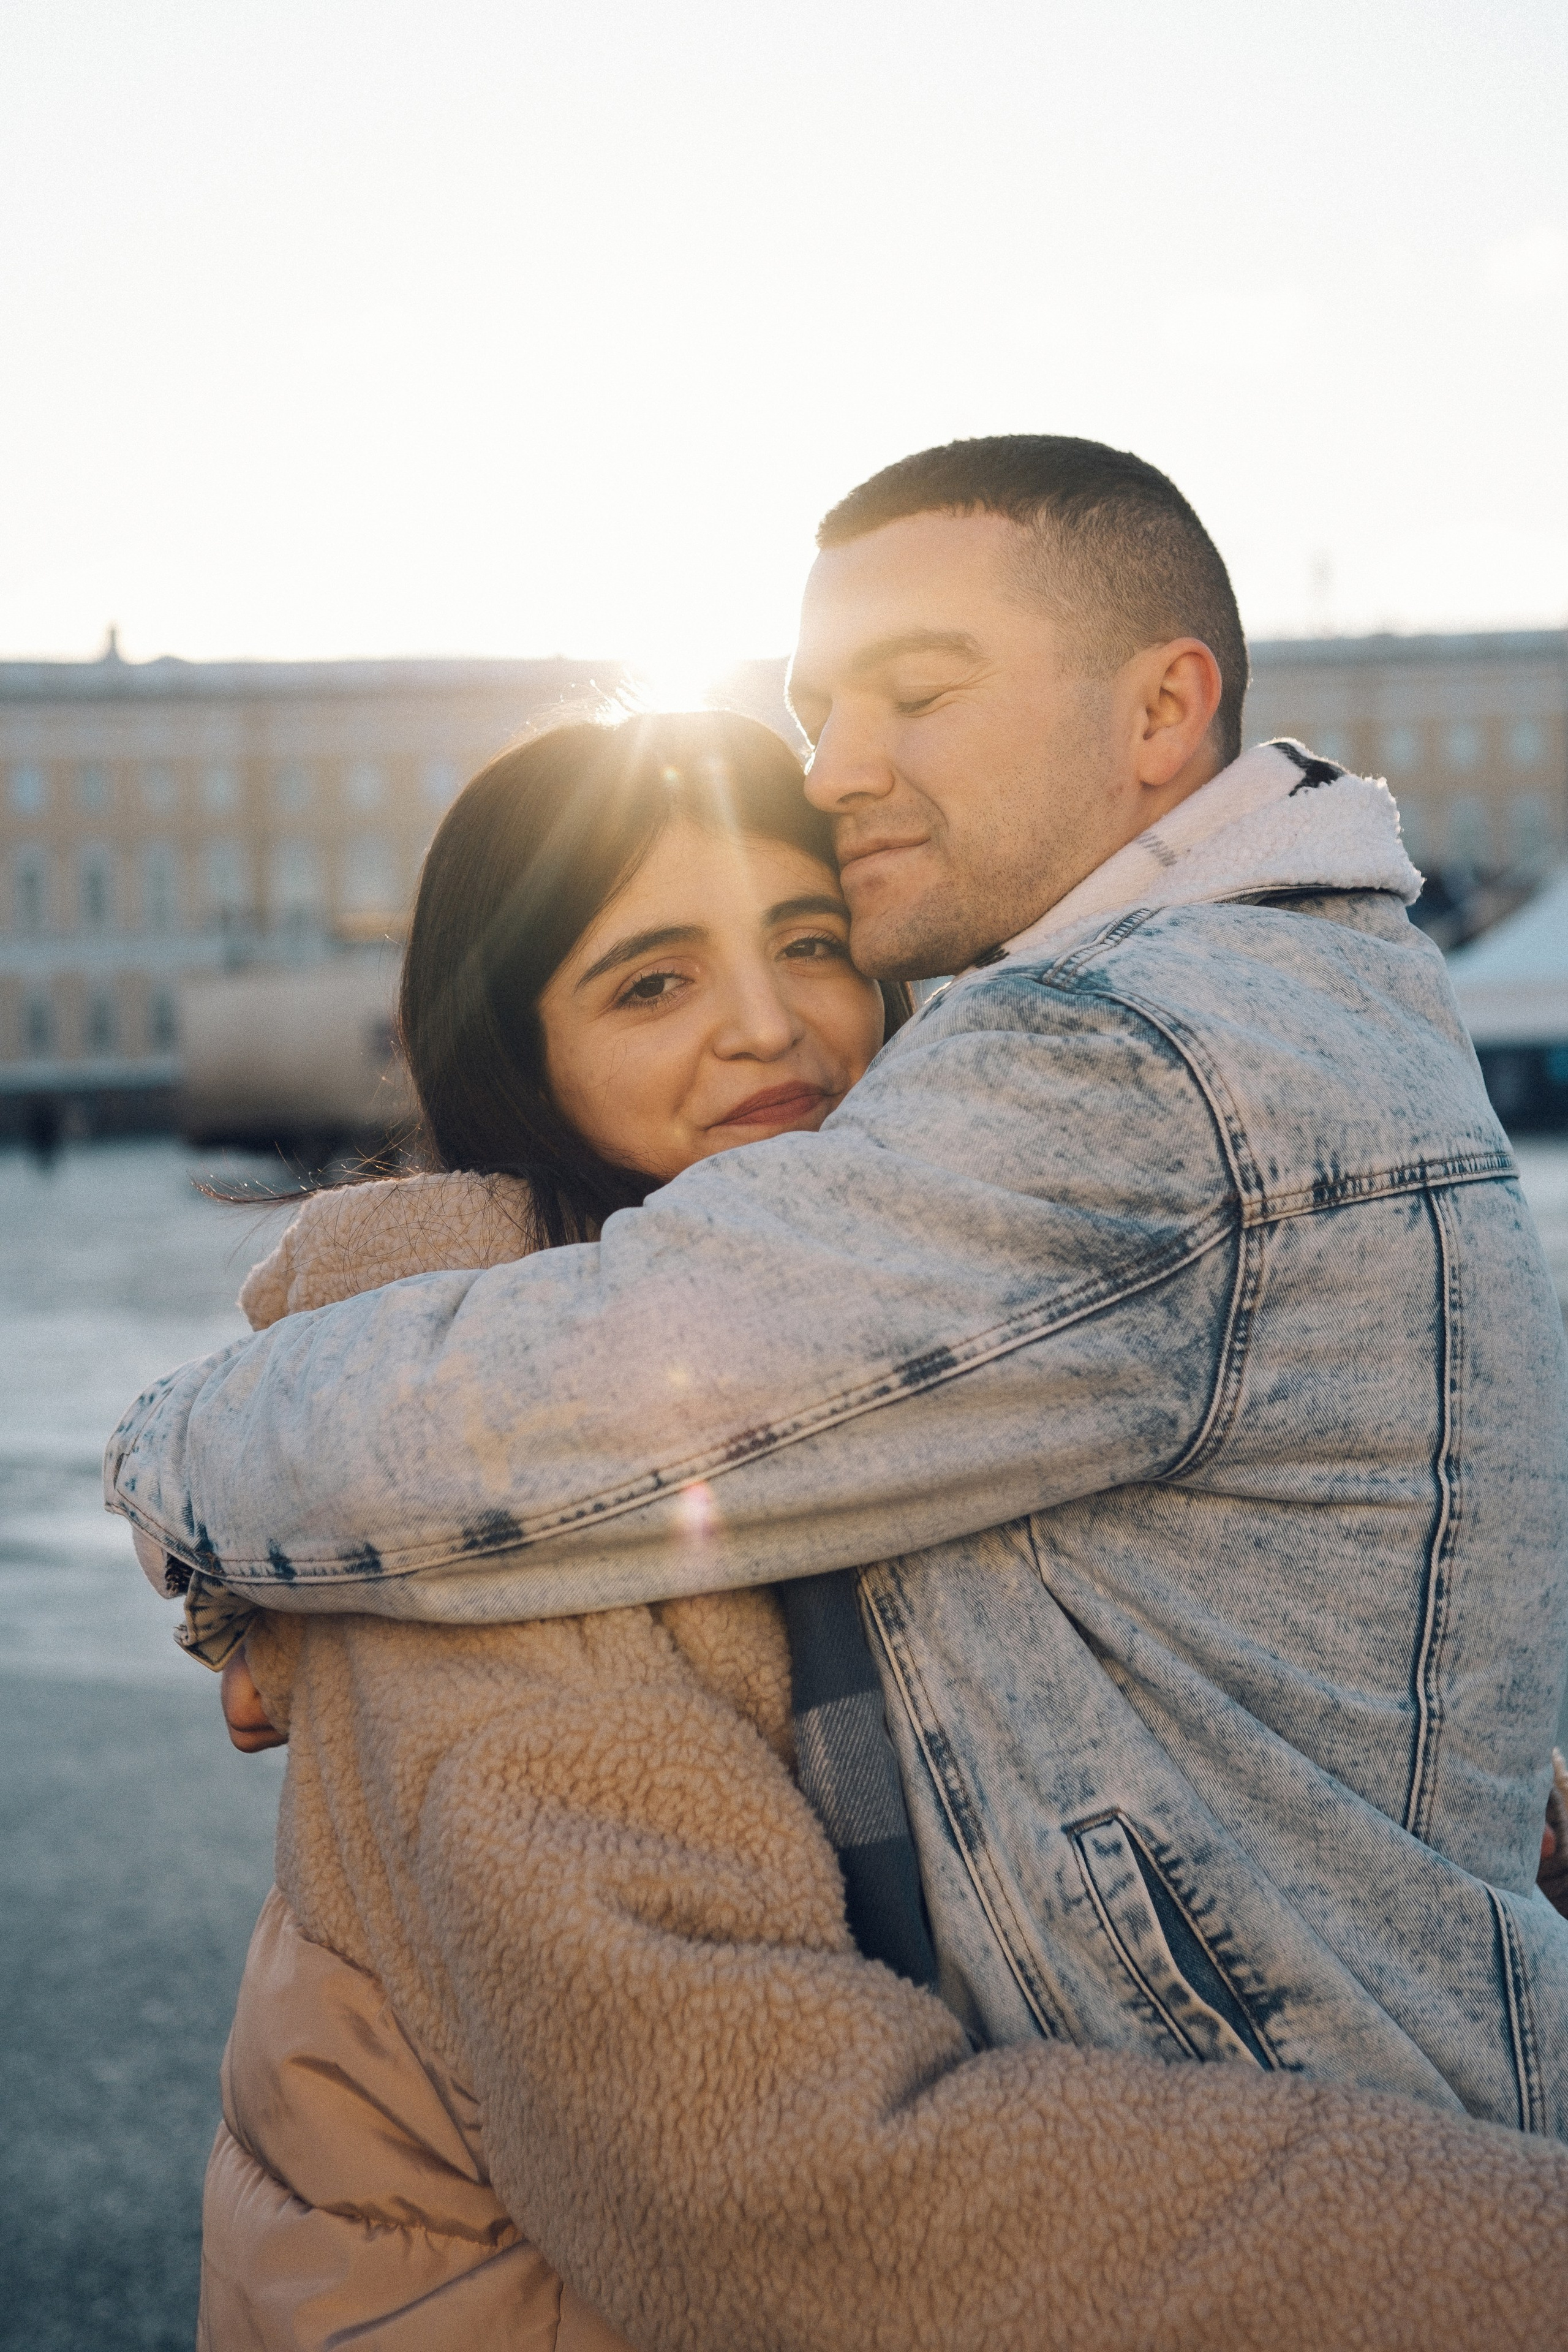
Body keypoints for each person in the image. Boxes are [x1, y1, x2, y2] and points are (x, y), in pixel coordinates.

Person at [111, 432, 1568, 2167]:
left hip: (1288, 2179)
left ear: (1163, 712)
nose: (839, 766)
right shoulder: (1317, 990)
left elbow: (545, 1409)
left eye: (917, 694)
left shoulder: (1134, 1054)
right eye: (819, 706)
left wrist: (174, 1475)